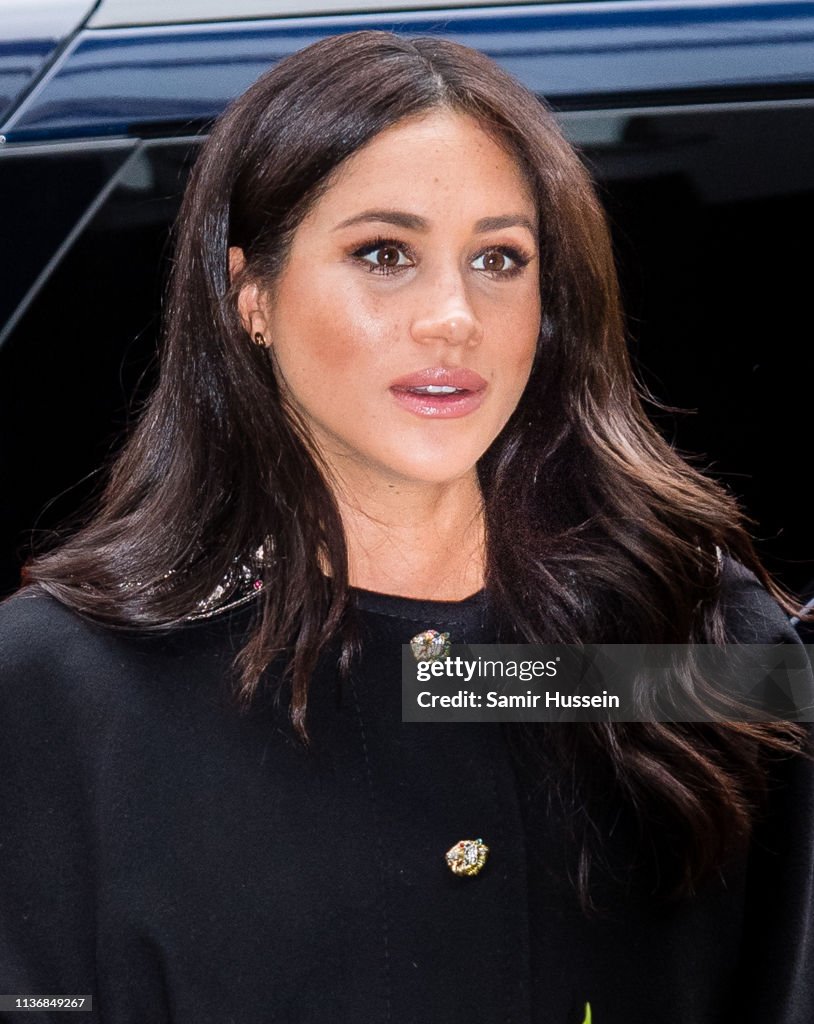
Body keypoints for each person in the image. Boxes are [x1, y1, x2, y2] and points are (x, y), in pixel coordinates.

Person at [0, 29, 811, 1024]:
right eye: (384, 254)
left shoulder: (696, 641)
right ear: (249, 292)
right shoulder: (58, 693)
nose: (452, 315)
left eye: (498, 258)